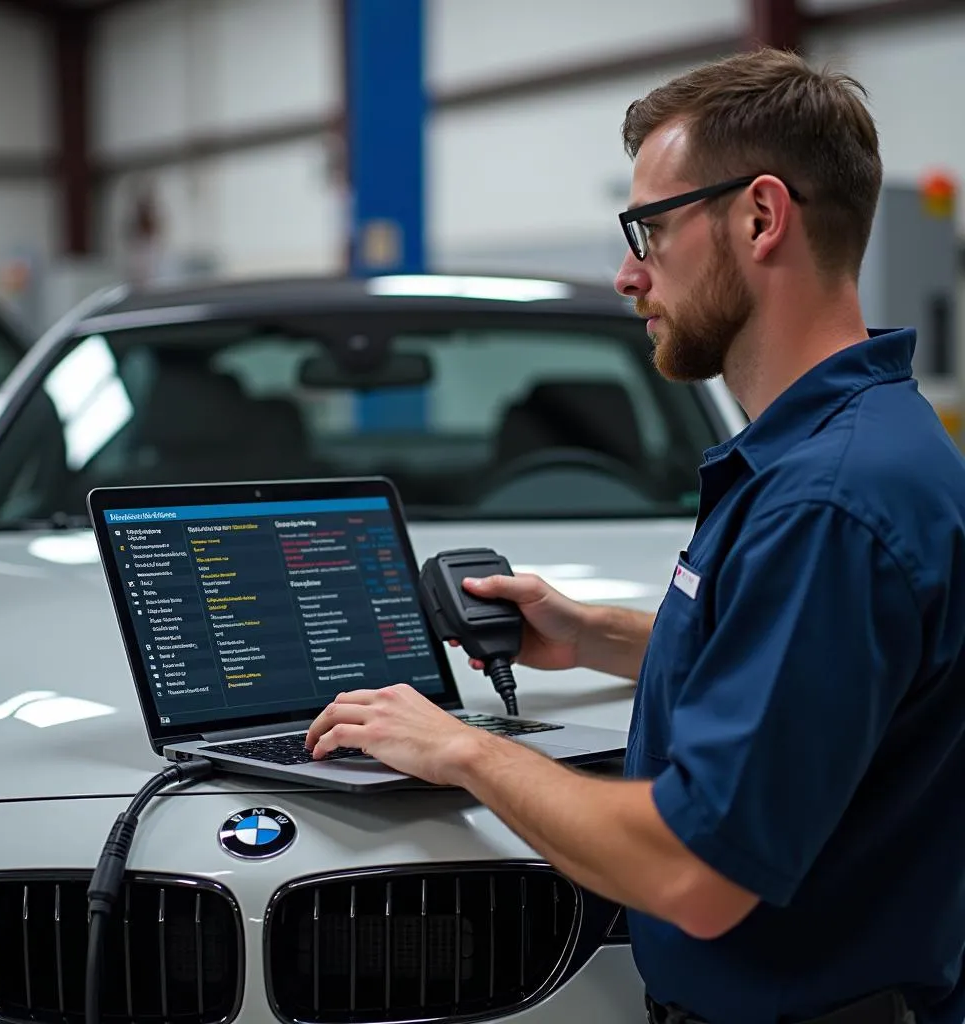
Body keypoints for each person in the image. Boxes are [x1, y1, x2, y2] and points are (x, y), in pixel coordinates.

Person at [306, 46, 965, 1024]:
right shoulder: (853, 448)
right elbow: (819, 678)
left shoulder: (826, 502)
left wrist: (460, 749)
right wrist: (595, 633)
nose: (626, 274)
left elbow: (692, 868)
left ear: (758, 216)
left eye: (648, 230)